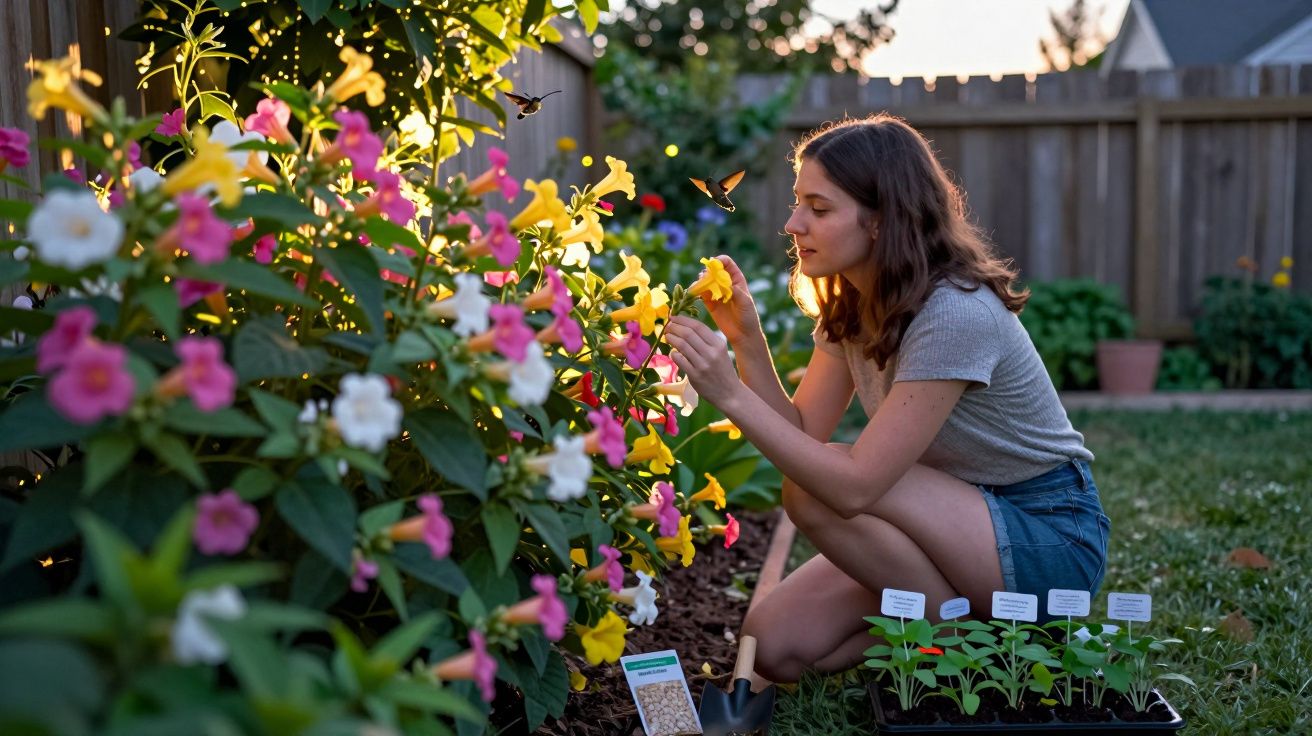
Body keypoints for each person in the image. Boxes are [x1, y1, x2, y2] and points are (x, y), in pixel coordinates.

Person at [662, 114, 1110, 686]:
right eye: (799, 203)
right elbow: (803, 431)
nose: (793, 223)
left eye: (819, 209)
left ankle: (965, 651)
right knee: (774, 646)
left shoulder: (955, 312)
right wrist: (749, 343)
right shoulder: (851, 302)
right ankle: (975, 627)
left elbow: (853, 486)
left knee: (820, 488)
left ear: (880, 220)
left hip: (1045, 534)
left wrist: (729, 394)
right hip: (939, 523)